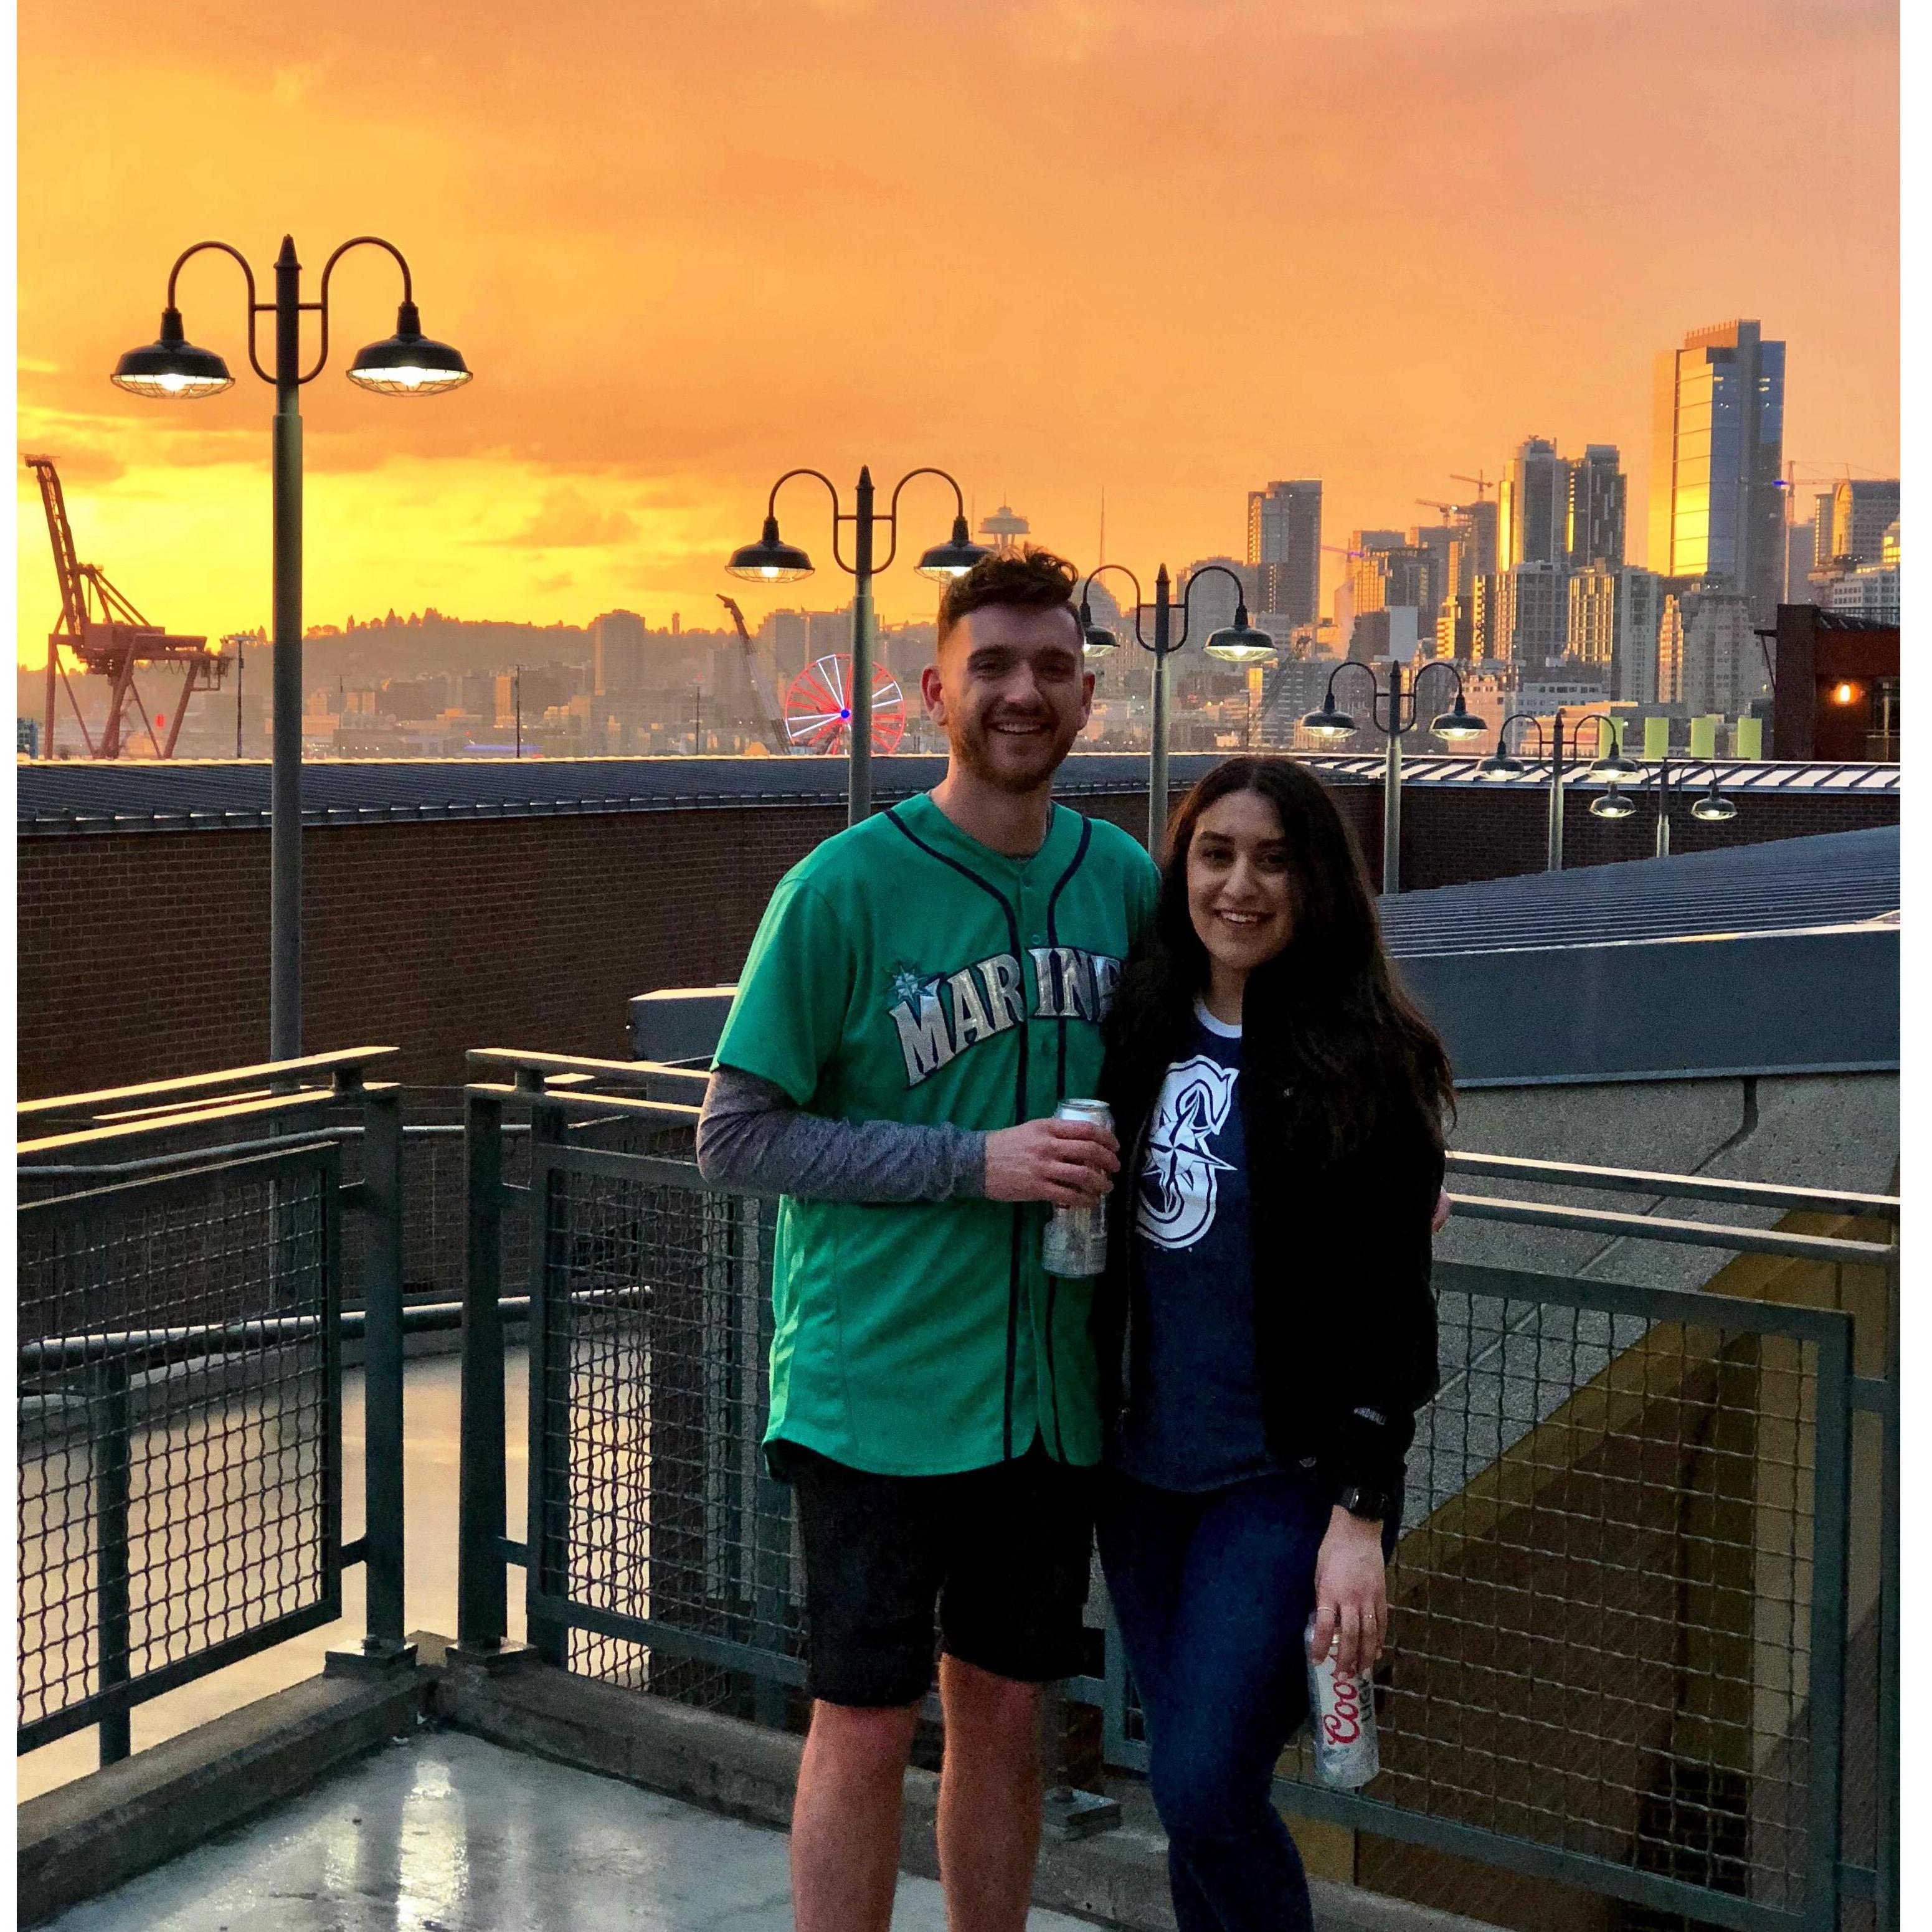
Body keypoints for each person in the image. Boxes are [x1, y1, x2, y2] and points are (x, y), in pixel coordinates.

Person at [695, 546, 1160, 1932]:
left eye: (1053, 668)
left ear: (1088, 695)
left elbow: (1233, 1075)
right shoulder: (840, 890)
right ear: (930, 692)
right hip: (874, 1394)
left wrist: (1380, 1175)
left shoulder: (1126, 882)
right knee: (862, 1722)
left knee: (1011, 1714)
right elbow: (736, 1135)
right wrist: (978, 1164)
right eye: (994, 667)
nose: (1025, 693)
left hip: (1051, 1398)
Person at [1093, 754, 1452, 1932]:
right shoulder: (1137, 1027)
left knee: (1201, 1782)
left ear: (1316, 884)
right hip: (1139, 1475)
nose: (1239, 885)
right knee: (1193, 1793)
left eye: (1273, 859)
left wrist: (1359, 1520)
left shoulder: (1365, 1064)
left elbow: (1392, 1322)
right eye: (1214, 854)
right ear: (1181, 869)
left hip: (1283, 1484)